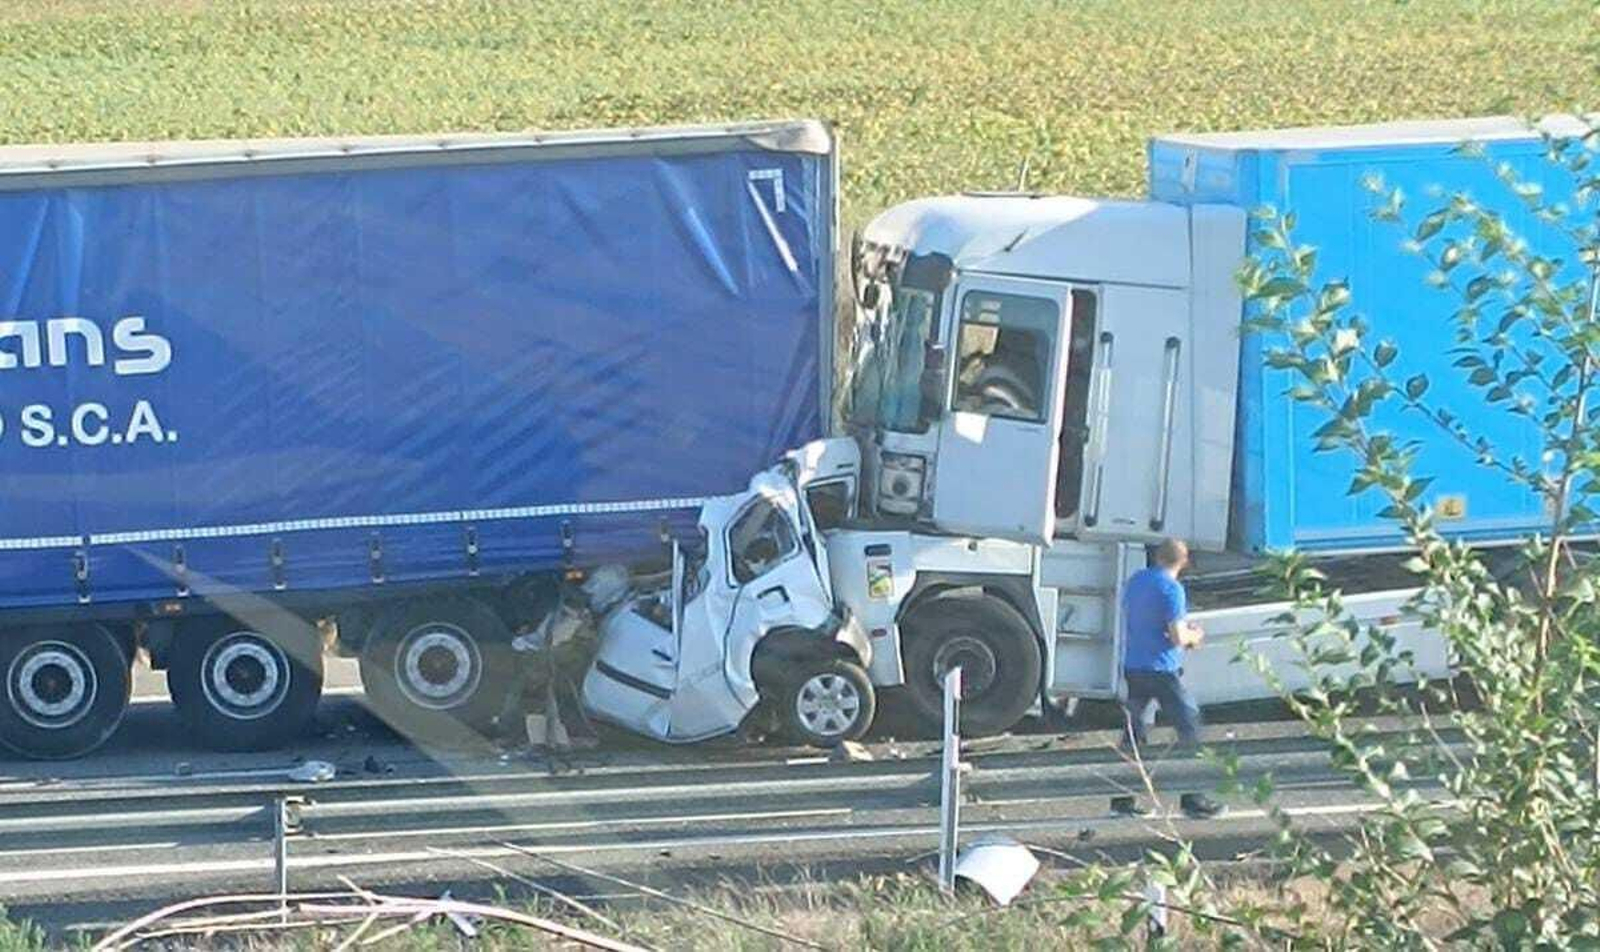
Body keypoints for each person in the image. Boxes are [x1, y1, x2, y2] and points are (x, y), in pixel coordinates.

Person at [1116, 537, 1225, 819]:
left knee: (1135, 732)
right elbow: (1177, 636)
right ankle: (1194, 799)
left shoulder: (1137, 580)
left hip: (1134, 664)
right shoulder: (1172, 589)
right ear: (1184, 561)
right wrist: (1194, 636)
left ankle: (1123, 800)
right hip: (1162, 670)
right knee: (1189, 728)